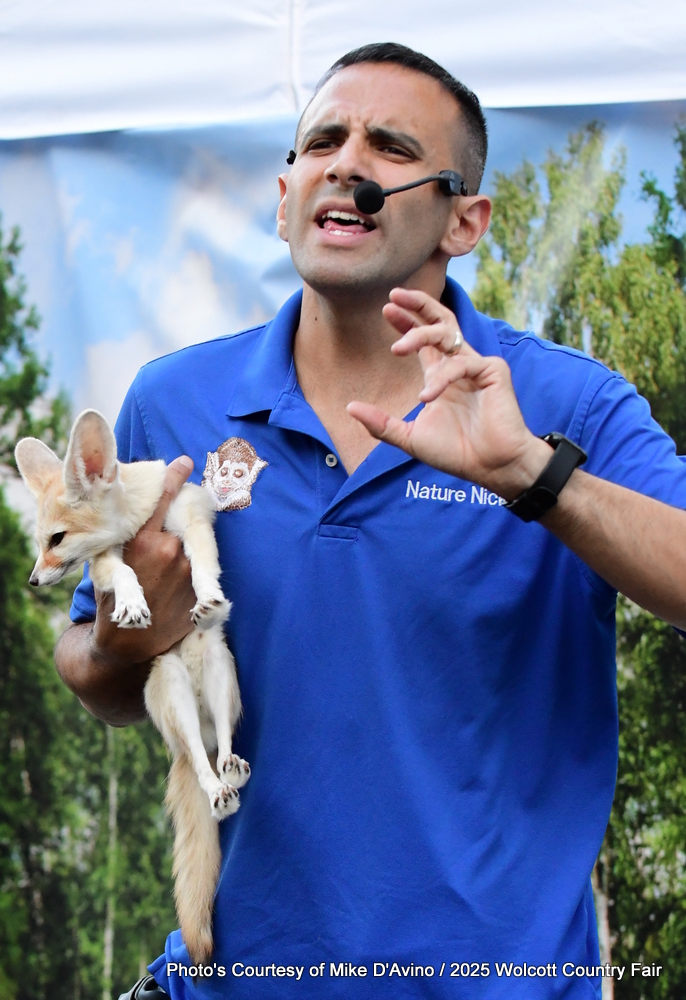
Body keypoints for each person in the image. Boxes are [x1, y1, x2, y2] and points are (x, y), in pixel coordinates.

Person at [56, 42, 686, 999]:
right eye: (321, 143)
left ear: (463, 220)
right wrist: (127, 634)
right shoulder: (173, 403)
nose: (345, 164)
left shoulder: (570, 403)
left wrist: (530, 474)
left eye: (390, 148)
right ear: (285, 199)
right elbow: (99, 678)